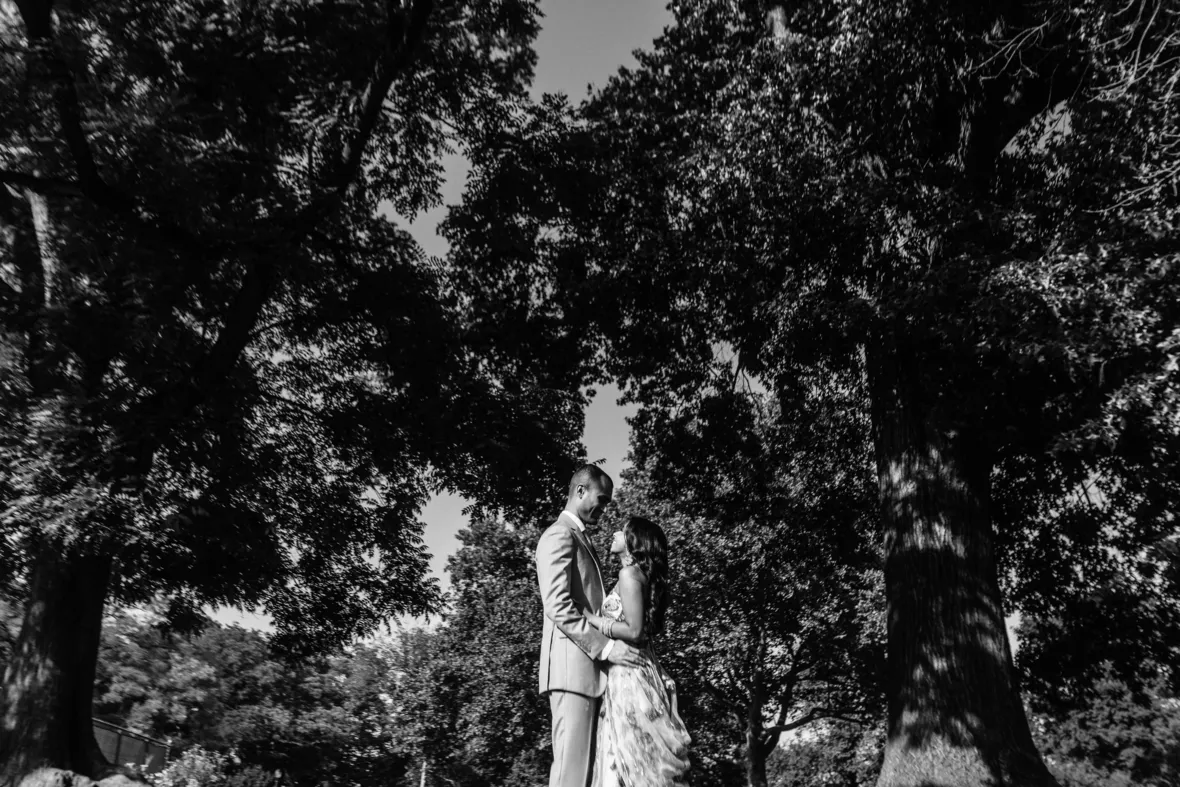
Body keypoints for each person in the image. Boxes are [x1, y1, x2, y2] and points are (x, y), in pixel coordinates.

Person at [536, 465, 647, 787]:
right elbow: (558, 605)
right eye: (601, 498)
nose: (604, 507)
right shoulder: (558, 535)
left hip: (590, 673)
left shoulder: (581, 539)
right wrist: (608, 648)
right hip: (573, 673)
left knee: (587, 776)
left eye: (608, 502)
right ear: (580, 491)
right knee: (571, 775)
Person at [583, 516, 691, 787]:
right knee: (633, 759)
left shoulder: (629, 575)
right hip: (638, 671)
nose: (615, 533)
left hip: (628, 679)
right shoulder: (638, 576)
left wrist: (593, 620)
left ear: (634, 543)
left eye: (623, 530)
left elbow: (633, 630)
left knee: (629, 758)